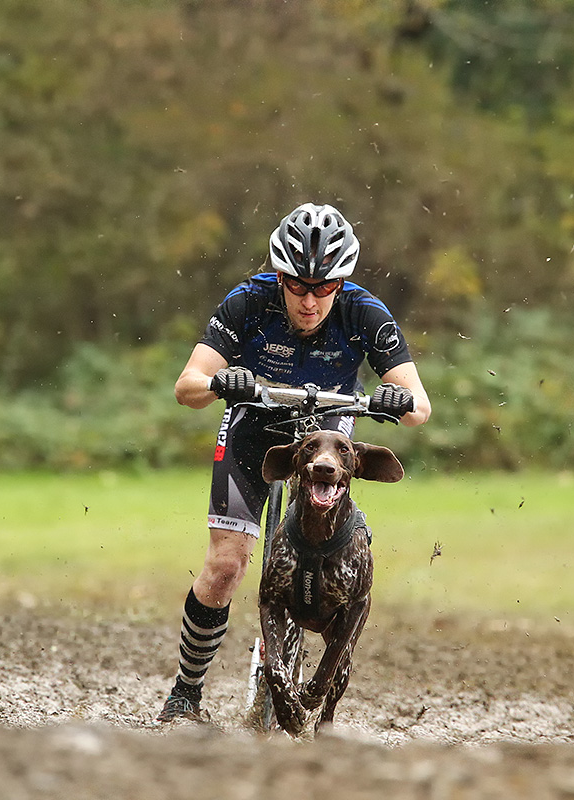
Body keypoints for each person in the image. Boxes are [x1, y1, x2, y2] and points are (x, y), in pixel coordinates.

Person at [157, 202, 432, 722]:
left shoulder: (366, 314)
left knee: (333, 561)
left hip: (327, 435)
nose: (309, 299)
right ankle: (186, 693)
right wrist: (221, 382)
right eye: (297, 284)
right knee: (226, 566)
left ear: (341, 282)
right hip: (253, 427)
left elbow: (420, 407)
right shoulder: (247, 302)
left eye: (324, 287)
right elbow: (186, 386)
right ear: (277, 275)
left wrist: (395, 399)